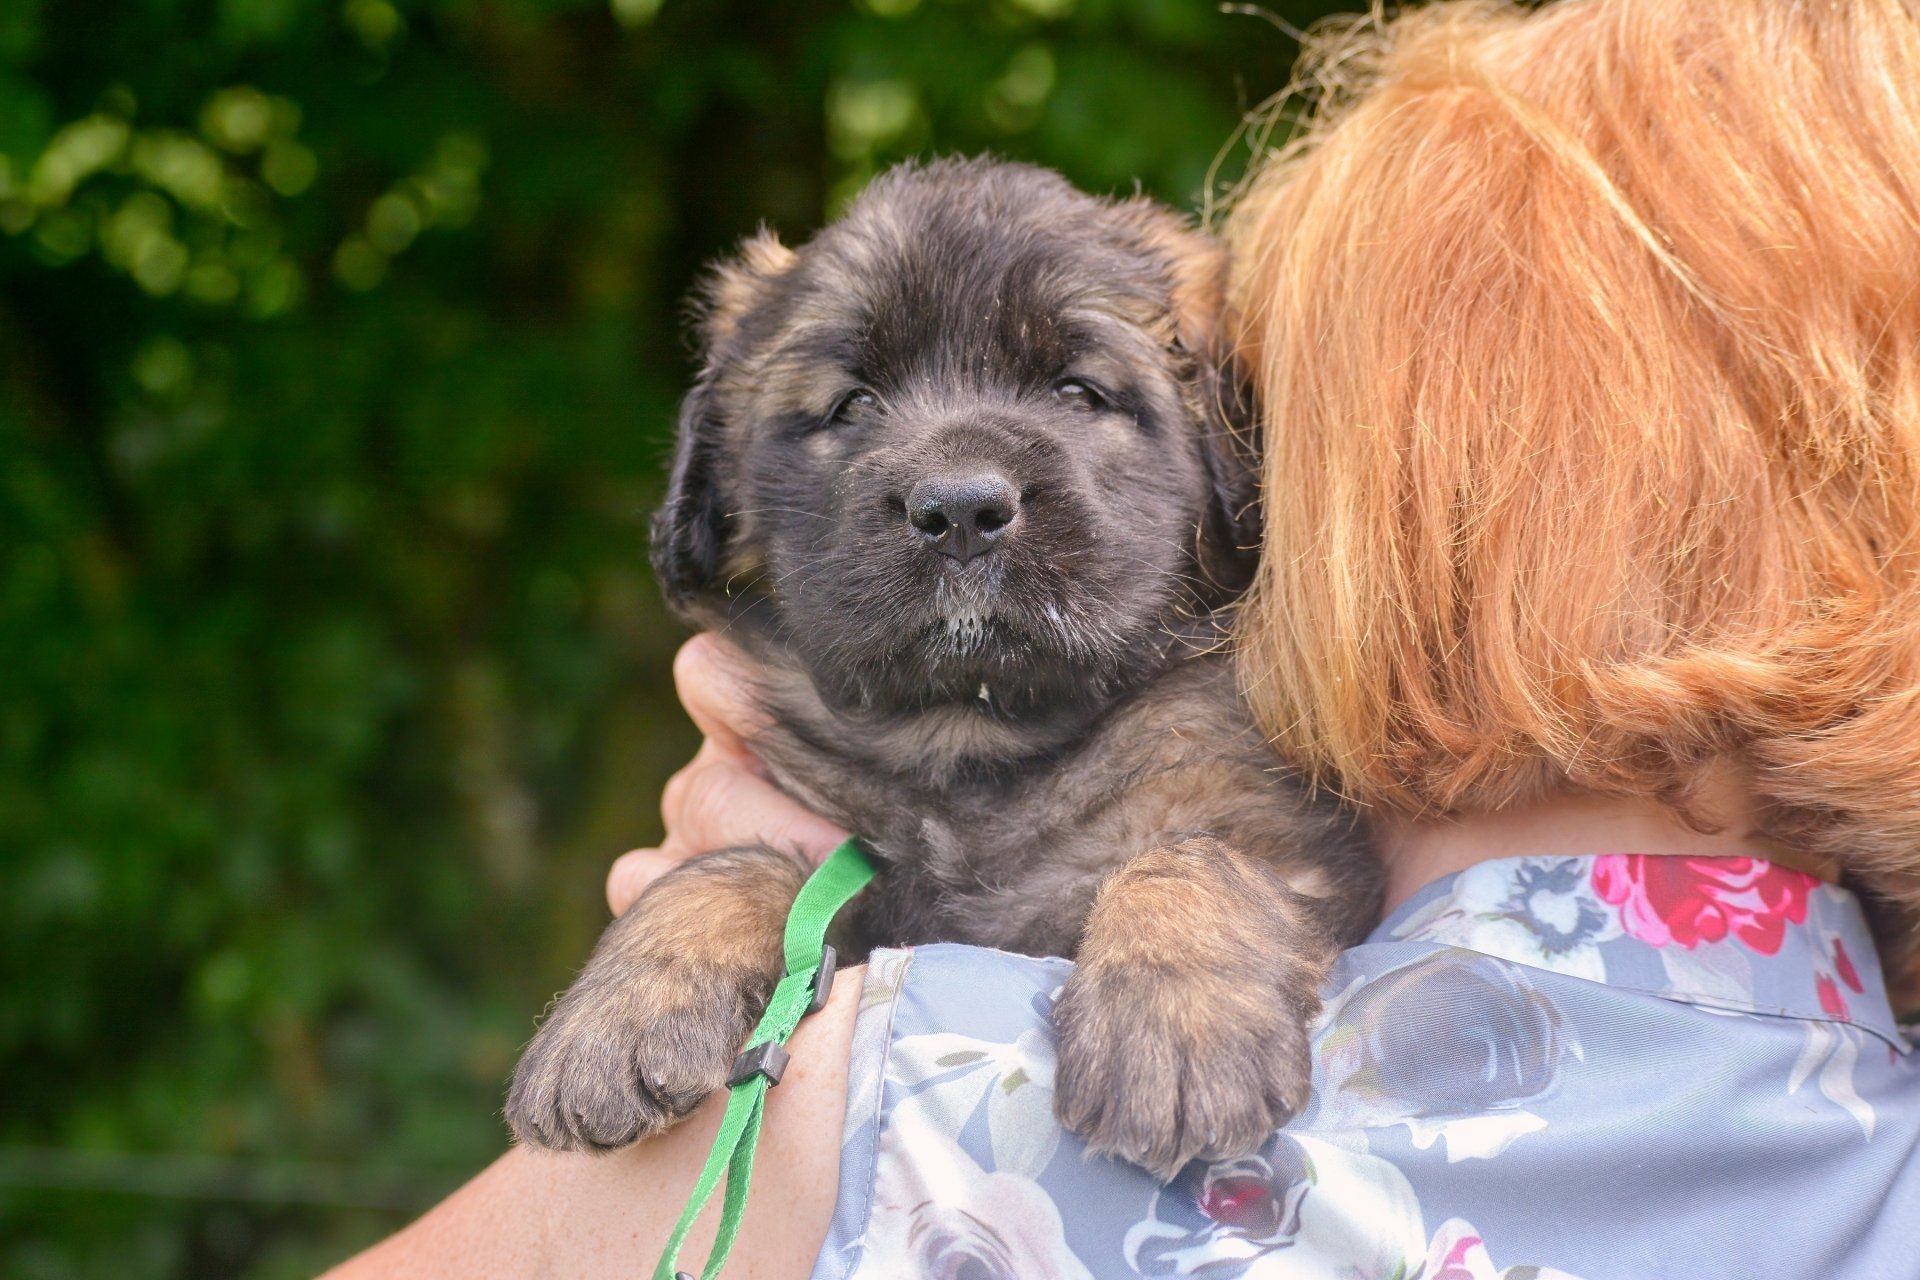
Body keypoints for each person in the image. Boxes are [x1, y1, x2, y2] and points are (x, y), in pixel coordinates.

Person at [326, 0, 1920, 1276]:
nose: (955, 479)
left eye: (1086, 390)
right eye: (848, 406)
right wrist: (736, 902)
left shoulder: (900, 1116)